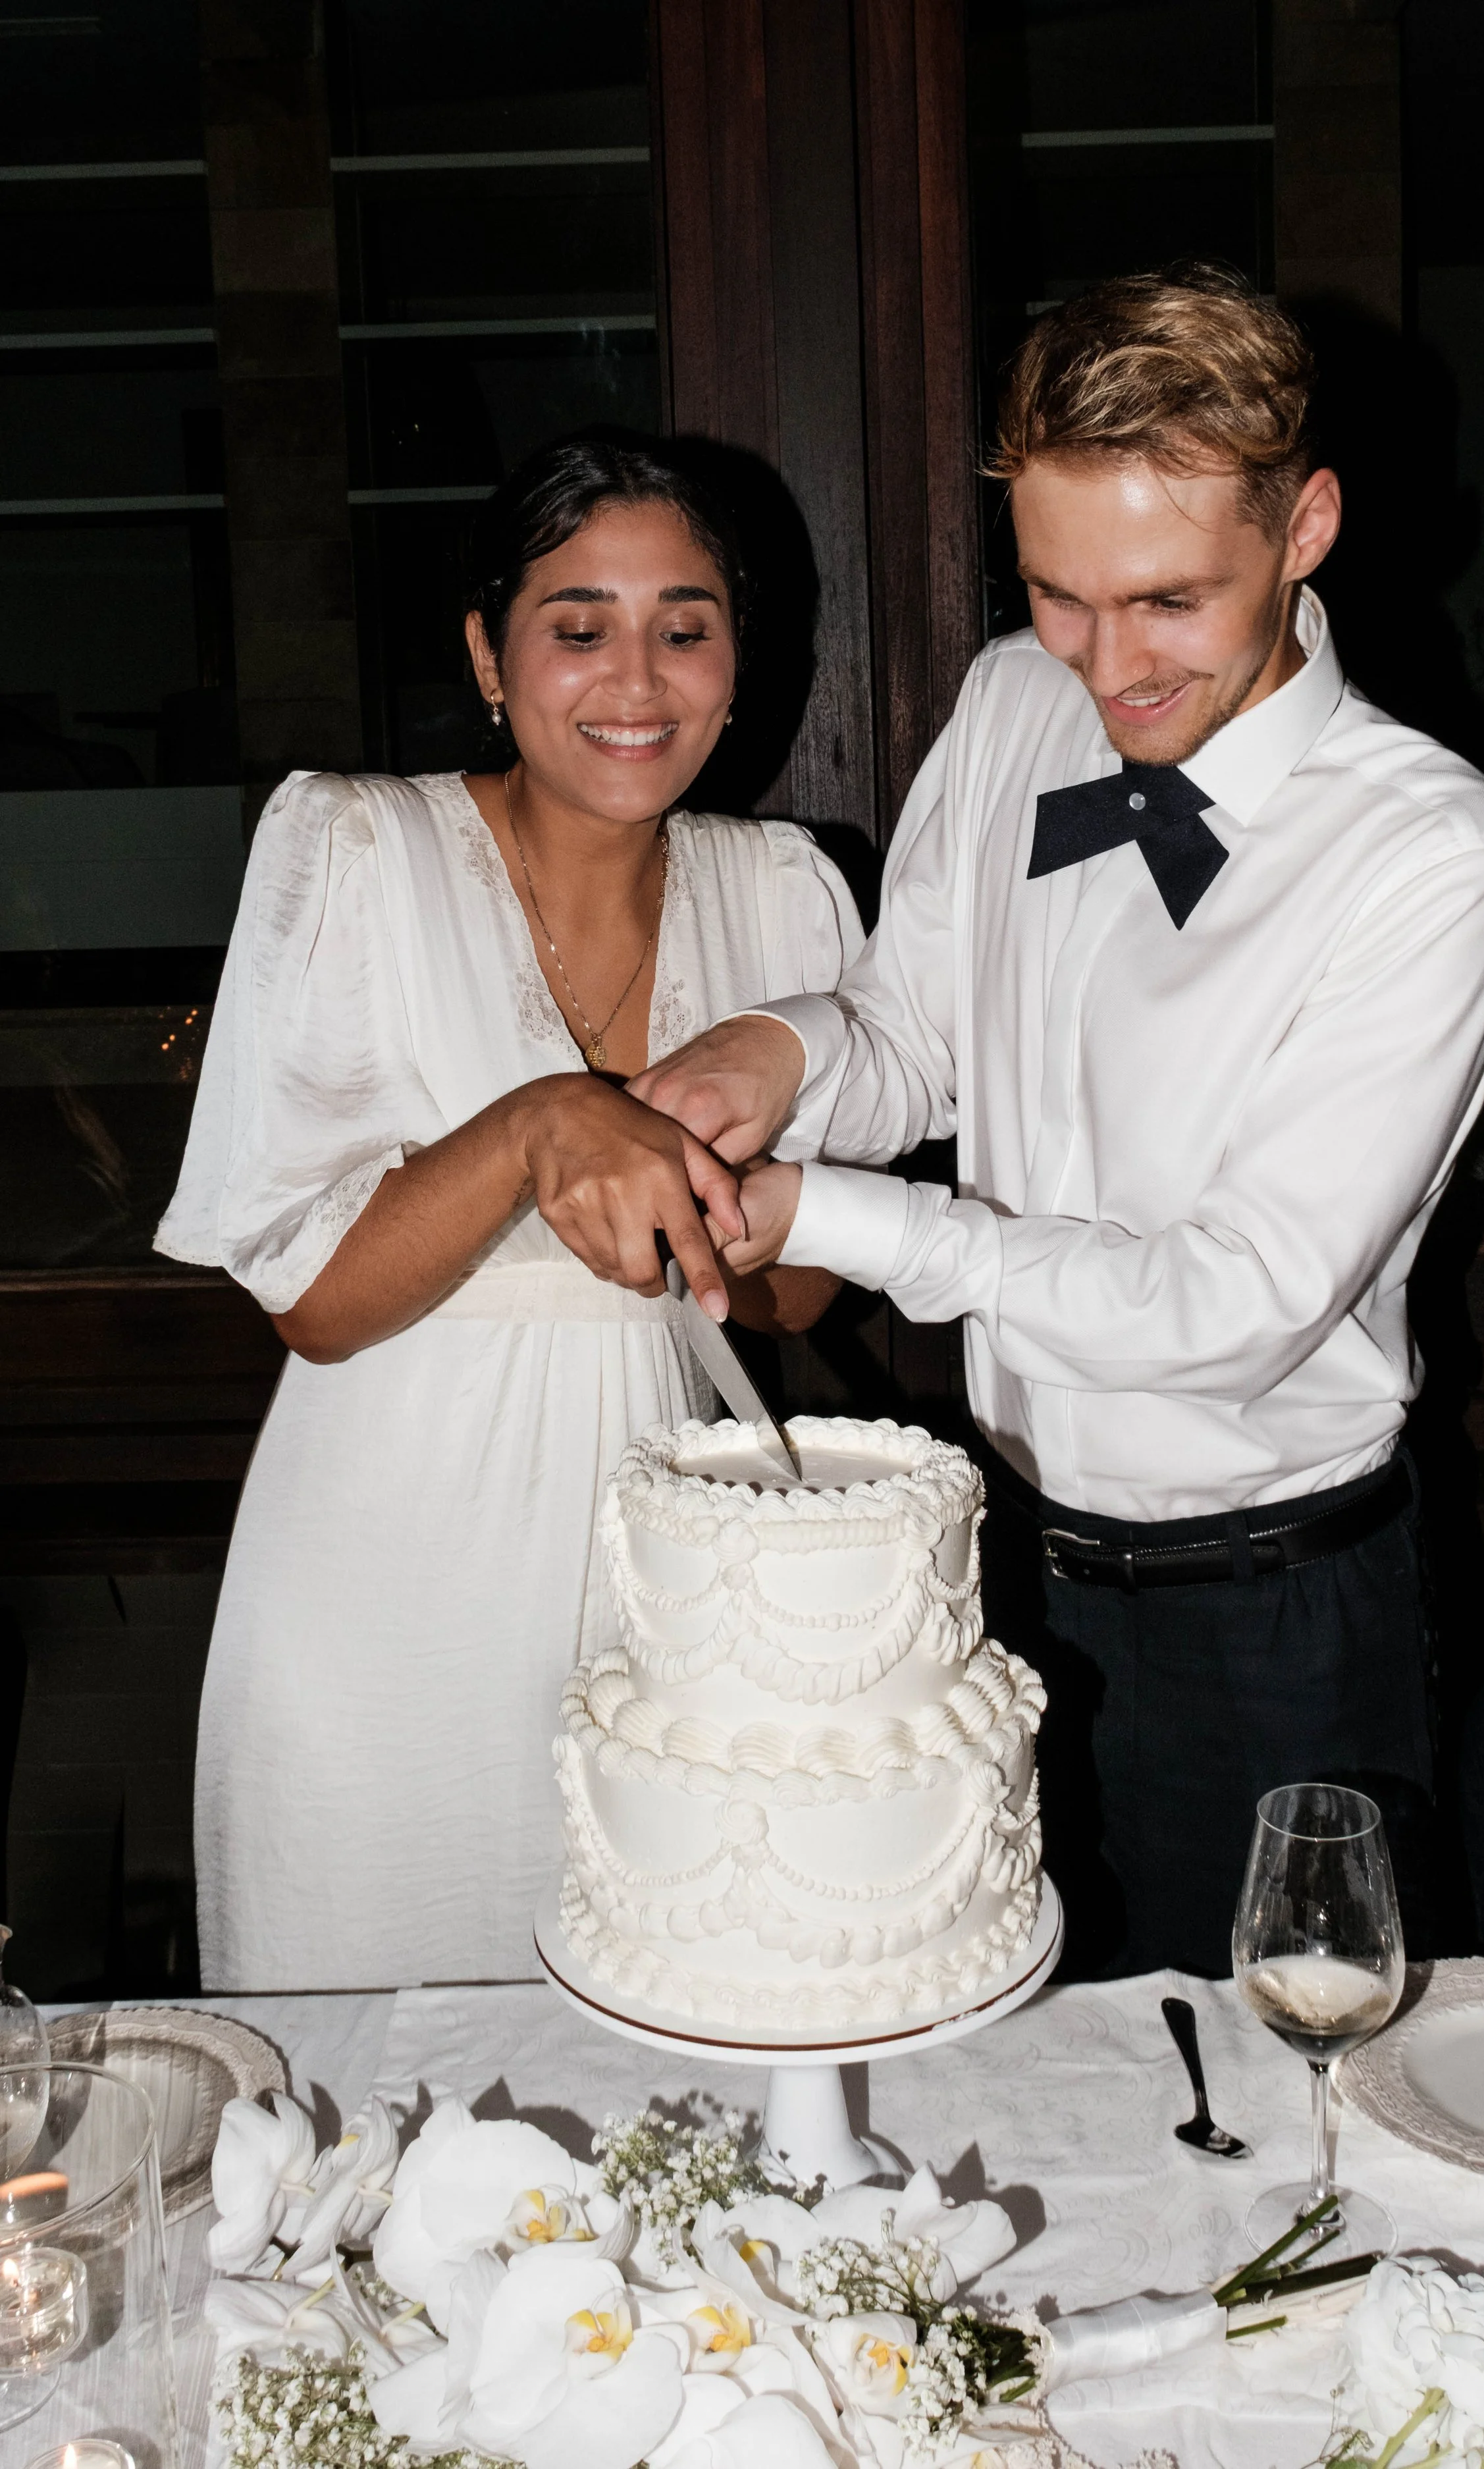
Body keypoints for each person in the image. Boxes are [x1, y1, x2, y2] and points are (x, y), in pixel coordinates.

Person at [581, 267, 1484, 1976]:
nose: (1105, 665)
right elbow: (917, 1037)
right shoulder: (1022, 694)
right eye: (1057, 593)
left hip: (1273, 1610)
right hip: (1005, 1564)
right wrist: (775, 1052)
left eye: (1167, 600)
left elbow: (1229, 1307)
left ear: (1305, 523)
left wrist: (831, 1217)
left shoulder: (1433, 854)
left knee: (1276, 2141)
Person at [157, 437, 861, 1992]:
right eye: (576, 624)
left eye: (685, 626)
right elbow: (313, 1305)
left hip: (684, 1583)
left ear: (740, 660)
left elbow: (794, 1304)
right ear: (488, 653)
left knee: (686, 2035)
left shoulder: (788, 893)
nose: (636, 678)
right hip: (388, 1579)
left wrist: (724, 1223)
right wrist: (539, 1127)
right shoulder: (355, 850)